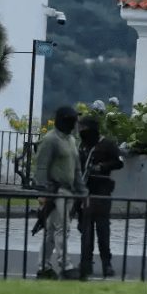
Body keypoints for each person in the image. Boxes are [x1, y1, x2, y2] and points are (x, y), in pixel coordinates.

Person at [33, 105, 88, 280]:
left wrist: (82, 191)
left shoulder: (71, 141)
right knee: (61, 228)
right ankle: (65, 264)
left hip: (68, 190)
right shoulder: (51, 140)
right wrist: (42, 192)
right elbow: (41, 167)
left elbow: (77, 169)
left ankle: (44, 267)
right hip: (55, 190)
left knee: (52, 230)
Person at [76, 116, 123, 279]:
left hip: (102, 192)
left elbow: (119, 162)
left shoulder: (106, 144)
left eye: (84, 128)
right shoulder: (82, 146)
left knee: (103, 231)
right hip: (85, 193)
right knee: (85, 231)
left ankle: (106, 264)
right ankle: (86, 262)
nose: (82, 131)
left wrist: (102, 166)